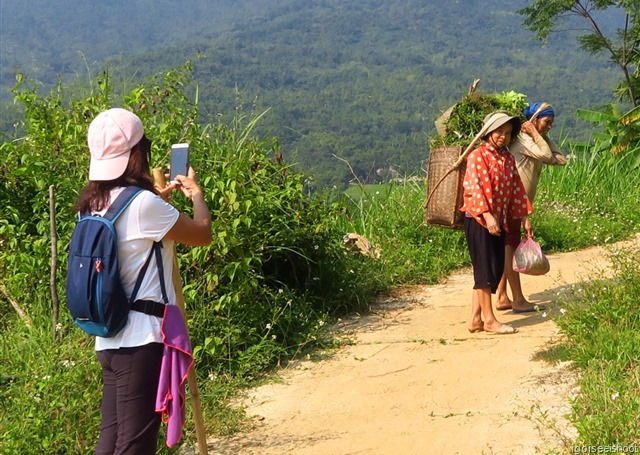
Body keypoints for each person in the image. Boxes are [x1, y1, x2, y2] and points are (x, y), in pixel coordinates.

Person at [77, 108, 212, 454]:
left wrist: (156, 202)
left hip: (107, 339)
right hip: (141, 341)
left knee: (110, 442)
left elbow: (131, 232)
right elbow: (201, 234)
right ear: (138, 153)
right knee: (134, 446)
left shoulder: (91, 204)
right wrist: (196, 193)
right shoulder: (145, 205)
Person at [460, 111, 533, 334]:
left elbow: (517, 189)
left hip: (498, 221)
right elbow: (474, 189)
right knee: (485, 272)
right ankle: (490, 320)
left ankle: (475, 320)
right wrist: (488, 216)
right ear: (489, 133)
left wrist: (524, 217)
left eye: (508, 133)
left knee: (490, 270)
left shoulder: (507, 159)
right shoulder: (477, 156)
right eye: (499, 132)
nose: (503, 136)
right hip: (480, 221)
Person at [495, 102, 567, 312]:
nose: (549, 126)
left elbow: (560, 159)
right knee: (510, 250)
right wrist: (535, 132)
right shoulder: (524, 141)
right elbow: (546, 156)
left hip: (517, 205)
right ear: (534, 120)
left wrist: (542, 135)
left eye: (551, 123)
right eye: (547, 122)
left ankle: (501, 296)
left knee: (507, 248)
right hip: (512, 204)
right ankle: (517, 299)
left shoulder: (535, 141)